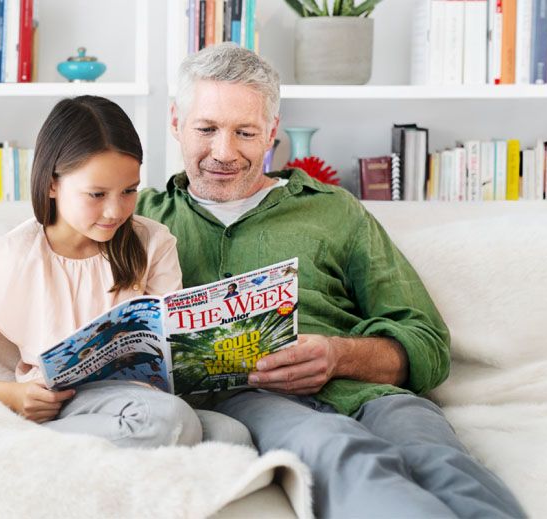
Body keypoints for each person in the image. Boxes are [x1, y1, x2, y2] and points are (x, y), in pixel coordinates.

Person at [136, 42, 526, 518]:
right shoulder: (140, 219)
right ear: (176, 122)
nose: (224, 152)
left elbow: (427, 342)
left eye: (245, 131)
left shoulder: (333, 209)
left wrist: (339, 355)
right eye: (206, 129)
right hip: (256, 401)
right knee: (339, 450)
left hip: (374, 395)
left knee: (442, 462)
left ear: (272, 132)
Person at [0, 95, 201, 448]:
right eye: (97, 194)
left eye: (129, 191)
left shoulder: (153, 244)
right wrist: (12, 394)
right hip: (66, 406)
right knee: (167, 422)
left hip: (143, 399)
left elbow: (174, 352)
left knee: (230, 435)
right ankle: (17, 446)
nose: (116, 210)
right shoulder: (14, 259)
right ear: (52, 183)